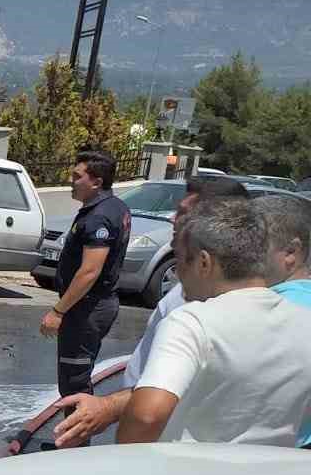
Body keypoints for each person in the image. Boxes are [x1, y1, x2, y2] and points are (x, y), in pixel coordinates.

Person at [51, 178, 278, 447]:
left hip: (166, 455)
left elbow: (151, 412)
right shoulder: (290, 319)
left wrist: (110, 409)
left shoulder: (194, 313)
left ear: (218, 222)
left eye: (184, 212)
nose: (173, 219)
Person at [117, 196, 311, 446]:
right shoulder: (303, 322)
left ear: (204, 262)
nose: (177, 274)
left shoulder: (191, 321)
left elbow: (147, 417)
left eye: (180, 259)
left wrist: (123, 464)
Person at [40, 151, 132, 396]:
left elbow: (90, 271)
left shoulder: (98, 217)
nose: (71, 180)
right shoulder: (115, 207)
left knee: (73, 381)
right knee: (76, 376)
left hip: (87, 308)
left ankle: (76, 434)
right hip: (94, 304)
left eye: (77, 176)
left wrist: (58, 311)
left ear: (96, 182)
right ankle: (74, 434)